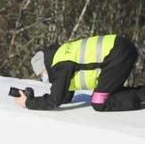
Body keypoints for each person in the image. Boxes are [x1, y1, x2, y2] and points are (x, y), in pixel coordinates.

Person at [12, 34, 142, 112]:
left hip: (117, 54)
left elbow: (54, 101)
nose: (43, 78)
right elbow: (64, 96)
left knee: (99, 102)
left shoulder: (60, 65)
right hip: (119, 48)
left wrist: (28, 103)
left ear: (45, 67)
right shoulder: (61, 55)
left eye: (41, 74)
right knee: (102, 96)